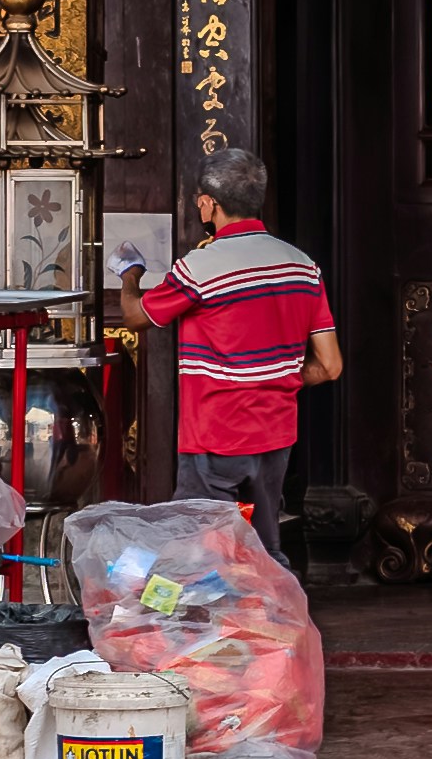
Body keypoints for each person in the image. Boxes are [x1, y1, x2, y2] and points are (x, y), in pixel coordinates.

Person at [136, 154, 339, 557]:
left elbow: (137, 317)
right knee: (263, 549)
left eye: (200, 201)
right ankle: (278, 616)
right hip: (276, 435)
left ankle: (195, 621)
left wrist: (128, 274)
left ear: (210, 204)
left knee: (196, 549)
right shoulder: (303, 267)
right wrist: (278, 380)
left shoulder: (200, 268)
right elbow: (330, 366)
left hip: (215, 434)